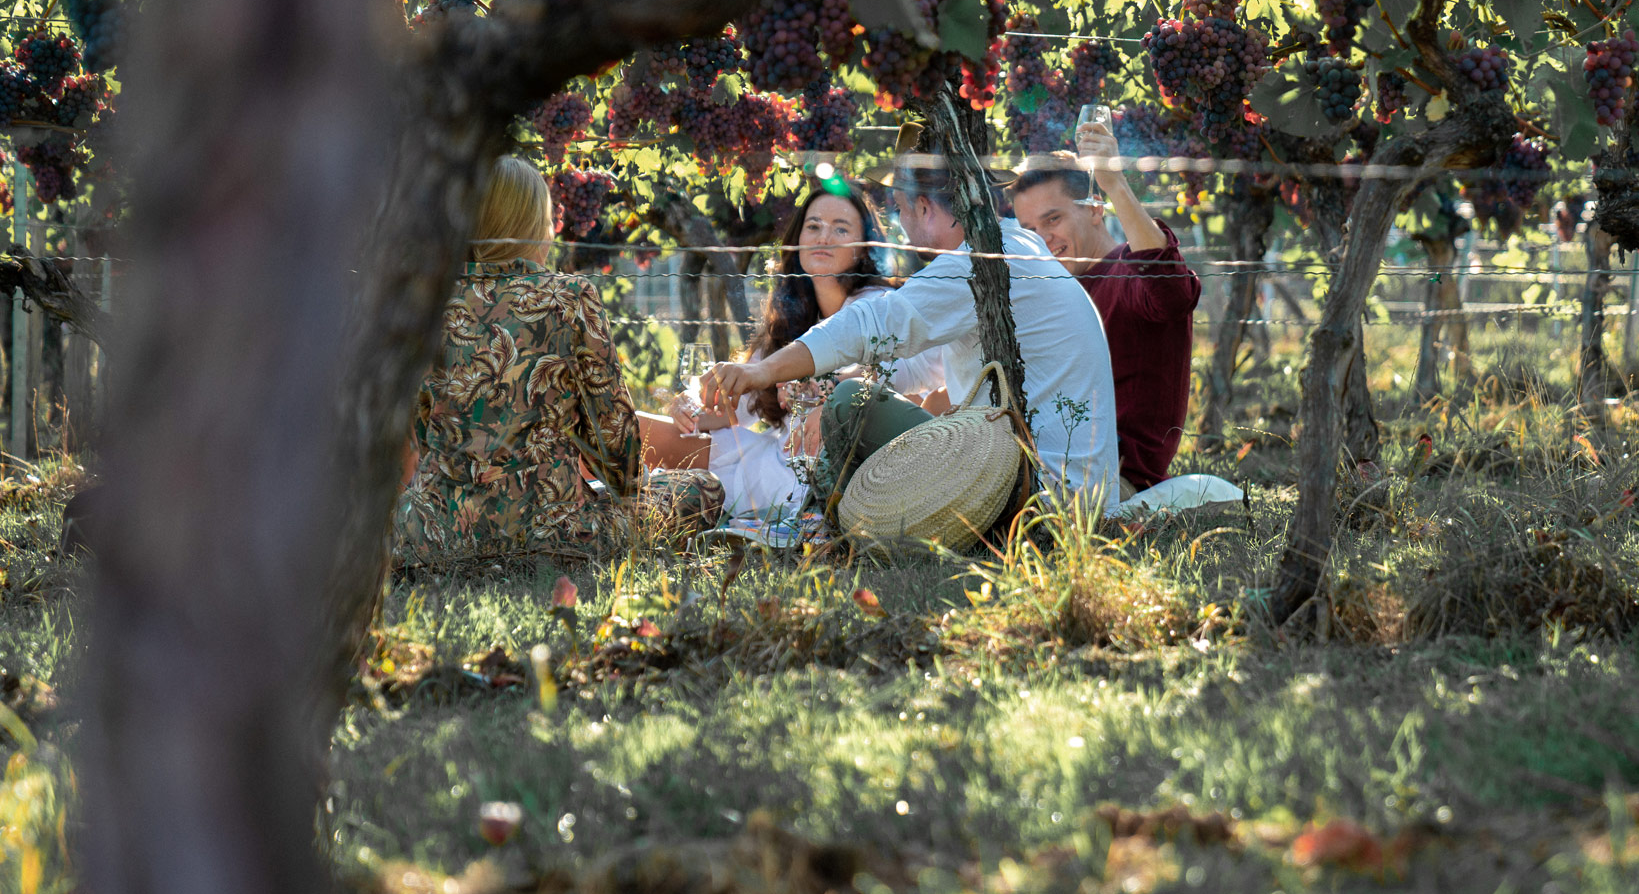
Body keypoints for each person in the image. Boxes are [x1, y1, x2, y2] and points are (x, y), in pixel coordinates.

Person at [703, 156, 1122, 514]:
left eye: (901, 209)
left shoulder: (979, 261)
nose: (901, 226)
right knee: (856, 399)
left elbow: (875, 323)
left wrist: (765, 372)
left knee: (852, 406)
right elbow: (916, 362)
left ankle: (827, 521)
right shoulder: (1016, 246)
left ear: (924, 208)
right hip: (1068, 491)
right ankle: (832, 516)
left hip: (1041, 500)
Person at [392, 156, 724, 567]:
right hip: (552, 532)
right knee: (703, 488)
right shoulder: (568, 297)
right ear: (534, 224)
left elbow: (421, 433)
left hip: (433, 532)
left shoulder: (420, 301)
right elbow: (619, 455)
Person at [634, 183, 944, 521]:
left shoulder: (880, 308)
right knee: (630, 427)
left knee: (678, 479)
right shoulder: (790, 316)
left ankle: (637, 503)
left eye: (841, 228)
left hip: (823, 469)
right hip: (773, 456)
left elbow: (902, 385)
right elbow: (738, 407)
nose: (823, 237)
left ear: (864, 249)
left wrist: (829, 389)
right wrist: (689, 405)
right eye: (813, 226)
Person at [1009, 121, 1201, 494]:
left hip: (1112, 482)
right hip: (1051, 468)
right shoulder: (1054, 291)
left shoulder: (1126, 273)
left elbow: (1173, 295)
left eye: (1053, 219)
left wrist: (1115, 184)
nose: (1043, 239)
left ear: (1095, 208)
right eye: (1029, 230)